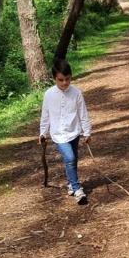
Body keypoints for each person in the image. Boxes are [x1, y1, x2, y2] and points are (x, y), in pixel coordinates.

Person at [39, 58, 91, 205]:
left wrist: (87, 132)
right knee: (69, 158)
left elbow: (83, 113)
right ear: (54, 78)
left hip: (74, 132)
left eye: (67, 79)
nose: (64, 83)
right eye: (60, 80)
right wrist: (43, 132)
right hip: (58, 134)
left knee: (73, 159)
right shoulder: (48, 95)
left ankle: (70, 183)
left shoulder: (76, 93)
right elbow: (45, 115)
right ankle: (77, 190)